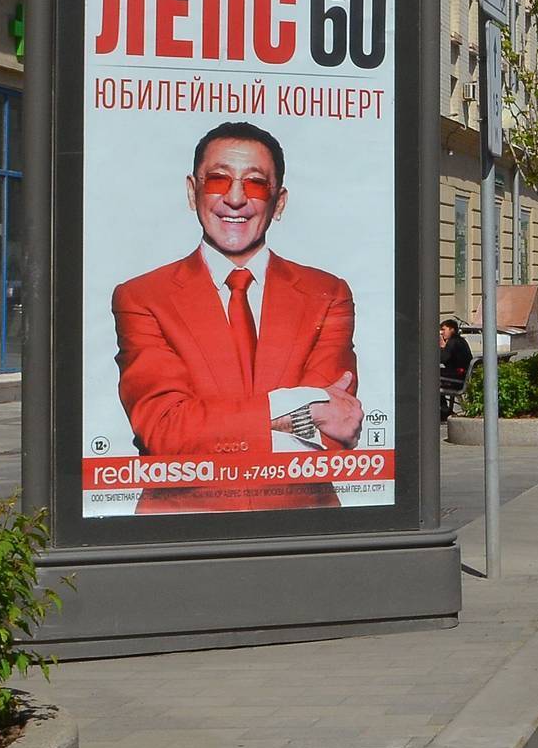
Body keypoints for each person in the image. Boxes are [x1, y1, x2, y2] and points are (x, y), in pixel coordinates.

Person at [111, 121, 362, 511]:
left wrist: (210, 427)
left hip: (301, 531)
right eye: (217, 180)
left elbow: (333, 429)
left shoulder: (326, 295)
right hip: (181, 531)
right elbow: (164, 429)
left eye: (256, 184)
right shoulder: (143, 298)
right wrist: (288, 410)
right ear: (192, 192)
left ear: (278, 202)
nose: (235, 199)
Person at [437, 317, 472, 419]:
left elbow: (442, 358)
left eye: (444, 329)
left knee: (429, 376)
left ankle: (443, 409)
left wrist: (440, 346)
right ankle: (444, 409)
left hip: (457, 378)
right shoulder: (460, 341)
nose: (441, 332)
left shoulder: (453, 342)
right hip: (462, 375)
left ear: (452, 329)